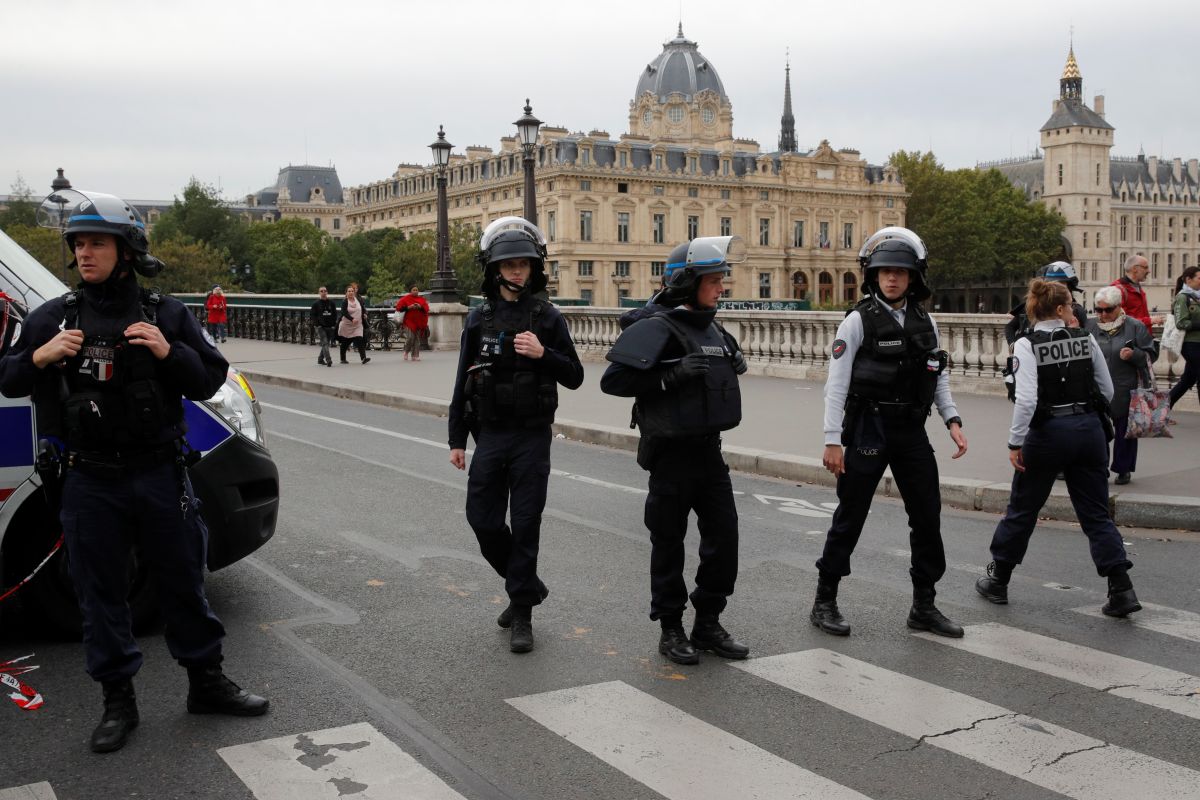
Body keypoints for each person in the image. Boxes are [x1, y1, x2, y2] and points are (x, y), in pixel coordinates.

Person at [0, 190, 267, 754]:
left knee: (183, 584)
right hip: (89, 480)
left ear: (127, 249)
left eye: (98, 242)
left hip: (160, 475)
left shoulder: (164, 313)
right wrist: (40, 358)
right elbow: (10, 378)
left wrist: (170, 352)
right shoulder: (54, 316)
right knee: (100, 595)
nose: (85, 252)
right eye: (78, 243)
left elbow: (209, 380)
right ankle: (118, 702)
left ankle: (206, 683)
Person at [601, 237, 751, 666]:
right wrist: (669, 377)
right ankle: (671, 628)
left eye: (722, 279)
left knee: (724, 540)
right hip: (669, 455)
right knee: (668, 544)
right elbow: (613, 382)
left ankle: (707, 623)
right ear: (686, 282)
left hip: (709, 452)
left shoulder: (715, 327)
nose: (721, 287)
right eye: (714, 280)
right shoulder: (656, 326)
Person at [813, 226, 968, 639]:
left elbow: (938, 375)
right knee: (851, 515)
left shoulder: (926, 321)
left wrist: (952, 420)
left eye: (900, 271)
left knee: (927, 517)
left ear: (913, 276)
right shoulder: (857, 322)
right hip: (869, 428)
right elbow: (837, 384)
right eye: (885, 272)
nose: (893, 278)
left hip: (911, 431)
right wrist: (832, 440)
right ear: (874, 277)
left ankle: (924, 605)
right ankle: (825, 600)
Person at [447, 217, 583, 654]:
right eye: (509, 265)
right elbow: (461, 380)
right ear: (494, 269)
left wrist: (544, 355)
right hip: (489, 435)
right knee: (482, 520)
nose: (517, 271)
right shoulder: (478, 318)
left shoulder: (547, 317)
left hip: (531, 436)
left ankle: (521, 613)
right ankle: (527, 587)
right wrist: (456, 439)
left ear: (535, 268)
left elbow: (576, 375)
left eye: (524, 263)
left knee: (525, 524)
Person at [976, 279, 1141, 617]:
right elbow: (1106, 389)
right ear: (1064, 308)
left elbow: (1025, 401)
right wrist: (1086, 418)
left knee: (1024, 507)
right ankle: (1121, 587)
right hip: (1089, 431)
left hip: (1048, 433)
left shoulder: (1026, 344)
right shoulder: (1086, 338)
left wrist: (1015, 441)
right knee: (1095, 512)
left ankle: (999, 580)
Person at [1085, 286, 1157, 485]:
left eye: (1108, 310)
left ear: (1119, 307)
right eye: (1098, 310)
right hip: (1096, 390)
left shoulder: (1135, 326)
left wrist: (1134, 355)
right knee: (1098, 431)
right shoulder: (1089, 327)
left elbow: (1151, 354)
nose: (1103, 314)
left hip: (1126, 388)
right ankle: (1100, 467)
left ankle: (1123, 469)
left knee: (1125, 431)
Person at [1168, 266, 1200, 408]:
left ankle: (1163, 407)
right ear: (1188, 279)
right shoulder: (1182, 297)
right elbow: (1180, 322)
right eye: (1199, 278)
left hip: (1198, 343)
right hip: (1190, 344)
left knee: (1188, 379)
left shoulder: (1197, 296)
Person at [1111, 255, 1164, 330]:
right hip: (1130, 339)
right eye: (1145, 267)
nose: (1149, 271)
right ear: (1135, 269)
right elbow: (1119, 320)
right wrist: (1150, 320)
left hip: (1141, 338)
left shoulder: (1136, 287)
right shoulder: (1117, 290)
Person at [394, 285, 430, 361]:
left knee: (417, 339)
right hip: (408, 321)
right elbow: (399, 308)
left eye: (416, 290)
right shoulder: (405, 299)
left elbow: (426, 309)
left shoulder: (422, 299)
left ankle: (415, 355)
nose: (415, 291)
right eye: (413, 290)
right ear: (410, 291)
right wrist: (408, 307)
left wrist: (420, 306)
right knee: (410, 337)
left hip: (419, 322)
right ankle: (406, 351)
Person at [337, 283, 370, 365]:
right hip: (347, 325)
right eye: (349, 291)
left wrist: (364, 314)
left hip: (357, 325)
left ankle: (363, 358)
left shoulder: (358, 300)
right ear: (346, 293)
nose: (351, 292)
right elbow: (344, 312)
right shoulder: (345, 301)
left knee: (360, 340)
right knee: (346, 342)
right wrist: (352, 319)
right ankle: (342, 358)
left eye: (352, 291)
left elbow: (362, 308)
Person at [310, 286, 337, 367]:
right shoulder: (316, 304)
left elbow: (335, 314)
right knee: (325, 343)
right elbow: (313, 315)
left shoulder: (332, 303)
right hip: (321, 327)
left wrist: (333, 324)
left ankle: (320, 359)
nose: (323, 292)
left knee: (326, 343)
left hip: (330, 326)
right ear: (319, 293)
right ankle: (328, 359)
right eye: (321, 291)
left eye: (325, 291)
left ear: (327, 292)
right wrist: (317, 325)